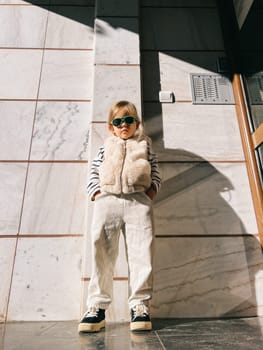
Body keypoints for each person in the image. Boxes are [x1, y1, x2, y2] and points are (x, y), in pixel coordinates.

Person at [78, 100, 161, 333]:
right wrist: (96, 192)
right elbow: (94, 169)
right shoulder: (107, 146)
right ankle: (96, 308)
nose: (123, 125)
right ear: (111, 127)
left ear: (137, 123)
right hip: (108, 201)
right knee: (101, 253)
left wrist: (151, 191)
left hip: (138, 202)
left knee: (141, 254)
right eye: (118, 121)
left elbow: (155, 171)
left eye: (128, 120)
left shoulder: (144, 145)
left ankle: (140, 306)